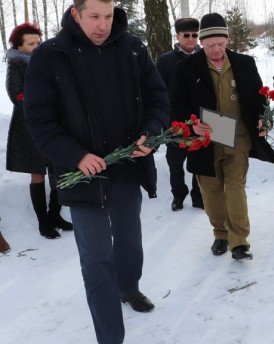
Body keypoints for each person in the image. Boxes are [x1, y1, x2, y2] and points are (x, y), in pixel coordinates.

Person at [23, 0, 169, 342]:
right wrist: (75, 156)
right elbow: (40, 120)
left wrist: (152, 132)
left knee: (130, 243)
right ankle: (110, 337)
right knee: (96, 259)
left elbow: (158, 100)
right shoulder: (50, 55)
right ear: (76, 14)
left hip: (127, 169)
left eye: (108, 16)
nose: (103, 25)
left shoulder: (133, 49)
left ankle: (129, 287)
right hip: (83, 175)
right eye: (94, 17)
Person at [171, 13, 274, 260]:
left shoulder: (244, 63)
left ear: (228, 40)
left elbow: (259, 97)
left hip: (238, 139)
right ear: (201, 43)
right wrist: (192, 125)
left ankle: (239, 241)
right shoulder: (186, 68)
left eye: (221, 44)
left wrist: (265, 119)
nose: (216, 49)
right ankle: (220, 233)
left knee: (235, 189)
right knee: (211, 194)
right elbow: (176, 105)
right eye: (210, 45)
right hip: (205, 142)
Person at [5, 22, 72, 240]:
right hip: (29, 126)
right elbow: (16, 94)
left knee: (58, 169)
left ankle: (55, 215)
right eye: (30, 43)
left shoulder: (48, 60)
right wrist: (40, 107)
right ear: (19, 46)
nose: (36, 46)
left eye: (38, 42)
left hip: (55, 123)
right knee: (37, 173)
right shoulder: (16, 64)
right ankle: (44, 222)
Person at [156, 18, 204, 211]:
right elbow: (158, 92)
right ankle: (178, 195)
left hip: (199, 120)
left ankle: (198, 195)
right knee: (175, 162)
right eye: (186, 35)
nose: (191, 39)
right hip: (175, 123)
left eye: (195, 35)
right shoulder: (165, 61)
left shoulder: (205, 57)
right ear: (178, 36)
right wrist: (165, 121)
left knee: (199, 161)